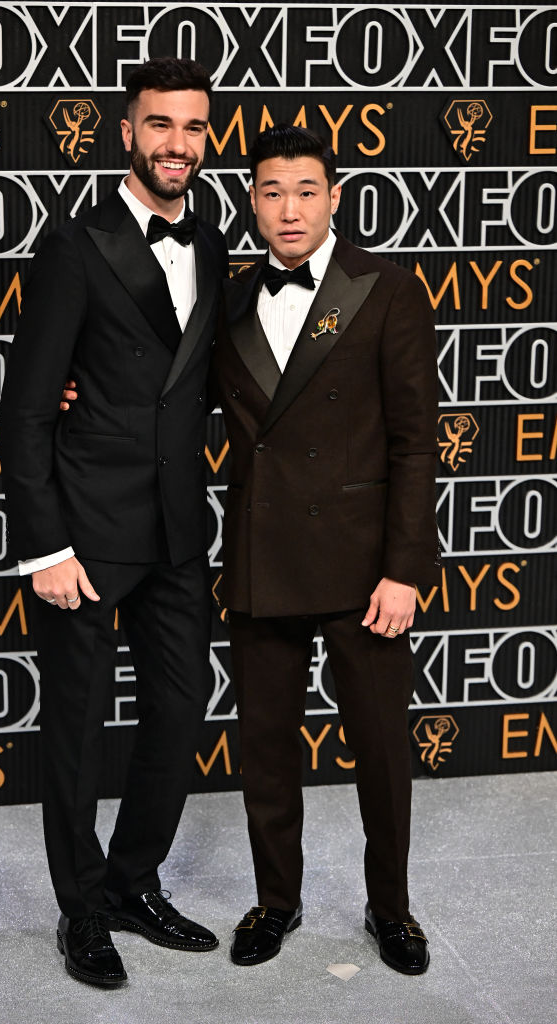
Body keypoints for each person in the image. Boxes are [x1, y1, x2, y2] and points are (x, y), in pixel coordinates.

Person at [0, 57, 228, 988]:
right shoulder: (76, 244)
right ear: (126, 132)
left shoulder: (210, 242)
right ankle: (82, 909)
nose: (179, 144)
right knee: (78, 730)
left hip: (176, 529)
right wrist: (44, 545)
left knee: (178, 709)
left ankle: (135, 882)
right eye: (160, 126)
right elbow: (24, 411)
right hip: (85, 537)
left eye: (195, 128)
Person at [211, 125, 440, 975]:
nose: (288, 209)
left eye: (305, 190)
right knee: (265, 749)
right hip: (261, 555)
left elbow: (418, 440)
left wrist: (405, 568)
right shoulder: (227, 300)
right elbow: (165, 398)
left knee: (380, 752)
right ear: (251, 201)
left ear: (334, 197)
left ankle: (392, 910)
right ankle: (275, 902)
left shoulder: (383, 287)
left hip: (361, 567)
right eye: (271, 191)